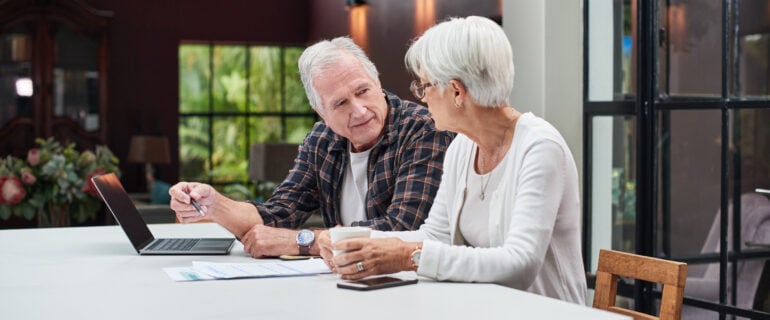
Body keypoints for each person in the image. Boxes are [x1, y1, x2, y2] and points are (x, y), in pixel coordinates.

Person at [319, 16, 586, 304]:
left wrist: (410, 257)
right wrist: (357, 242)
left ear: (457, 91)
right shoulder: (462, 146)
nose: (422, 99)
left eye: (425, 87)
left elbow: (519, 264)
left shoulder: (540, 147)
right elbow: (436, 235)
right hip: (490, 308)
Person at [169, 37, 454, 259]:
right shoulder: (322, 139)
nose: (359, 110)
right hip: (345, 283)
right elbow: (279, 215)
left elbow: (402, 231)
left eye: (362, 91)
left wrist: (302, 241)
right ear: (320, 111)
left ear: (377, 82)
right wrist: (214, 205)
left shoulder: (424, 129)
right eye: (340, 103)